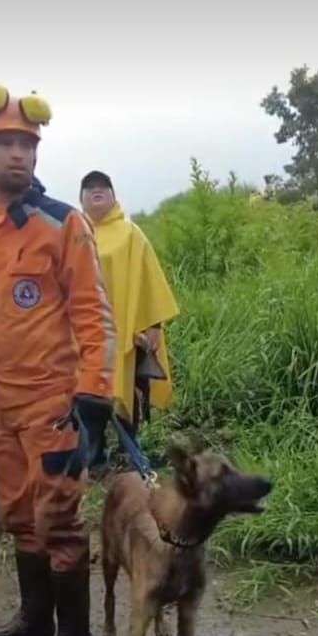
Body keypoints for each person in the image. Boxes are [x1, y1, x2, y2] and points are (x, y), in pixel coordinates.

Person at [0, 82, 116, 636]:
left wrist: (95, 394)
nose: (18, 154)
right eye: (4, 143)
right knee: (18, 514)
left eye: (26, 144)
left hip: (54, 404)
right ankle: (35, 620)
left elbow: (95, 314)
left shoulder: (61, 225)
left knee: (59, 517)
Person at [78, 170, 179, 472]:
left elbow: (149, 279)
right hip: (87, 334)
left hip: (128, 333)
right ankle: (94, 456)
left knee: (132, 391)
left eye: (102, 187)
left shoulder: (130, 234)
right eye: (89, 188)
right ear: (81, 199)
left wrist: (152, 326)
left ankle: (129, 450)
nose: (96, 191)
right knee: (89, 392)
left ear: (113, 195)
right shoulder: (75, 235)